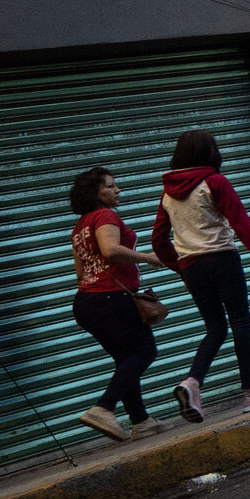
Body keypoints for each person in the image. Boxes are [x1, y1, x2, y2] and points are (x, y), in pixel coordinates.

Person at [151, 130, 250, 420]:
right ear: (210, 153)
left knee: (215, 327)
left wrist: (180, 269)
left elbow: (159, 241)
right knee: (240, 322)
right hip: (222, 259)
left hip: (192, 267)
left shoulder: (168, 194)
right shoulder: (214, 182)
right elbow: (239, 220)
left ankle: (192, 382)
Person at [68, 167, 168, 443]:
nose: (118, 190)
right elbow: (110, 250)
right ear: (95, 193)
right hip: (110, 298)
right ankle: (104, 407)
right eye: (111, 186)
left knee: (126, 359)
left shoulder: (79, 228)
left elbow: (80, 273)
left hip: (87, 302)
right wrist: (148, 257)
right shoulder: (105, 215)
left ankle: (141, 421)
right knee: (145, 350)